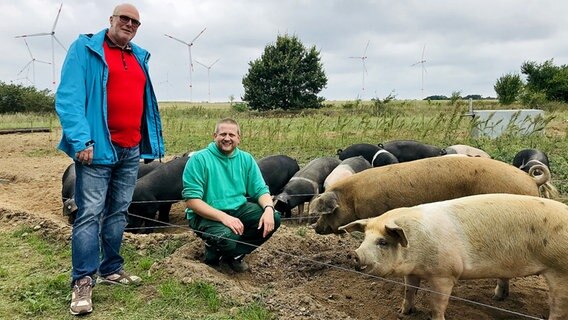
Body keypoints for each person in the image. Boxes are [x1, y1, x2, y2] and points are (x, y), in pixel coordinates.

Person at [55, 3, 165, 316]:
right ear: (111, 20)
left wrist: (151, 144)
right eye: (124, 19)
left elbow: (145, 104)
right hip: (97, 149)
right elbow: (69, 98)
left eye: (135, 22)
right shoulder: (85, 50)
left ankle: (111, 268)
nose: (129, 24)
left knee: (118, 212)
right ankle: (83, 280)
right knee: (90, 213)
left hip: (130, 150)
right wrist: (81, 139)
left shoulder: (139, 56)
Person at [182, 118, 280, 272]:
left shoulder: (246, 159)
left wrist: (269, 208)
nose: (227, 138)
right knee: (226, 236)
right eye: (223, 134)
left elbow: (260, 189)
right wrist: (225, 218)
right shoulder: (199, 160)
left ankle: (235, 254)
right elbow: (192, 201)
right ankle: (213, 248)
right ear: (214, 136)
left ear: (239, 138)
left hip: (238, 209)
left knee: (273, 217)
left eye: (232, 135)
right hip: (204, 215)